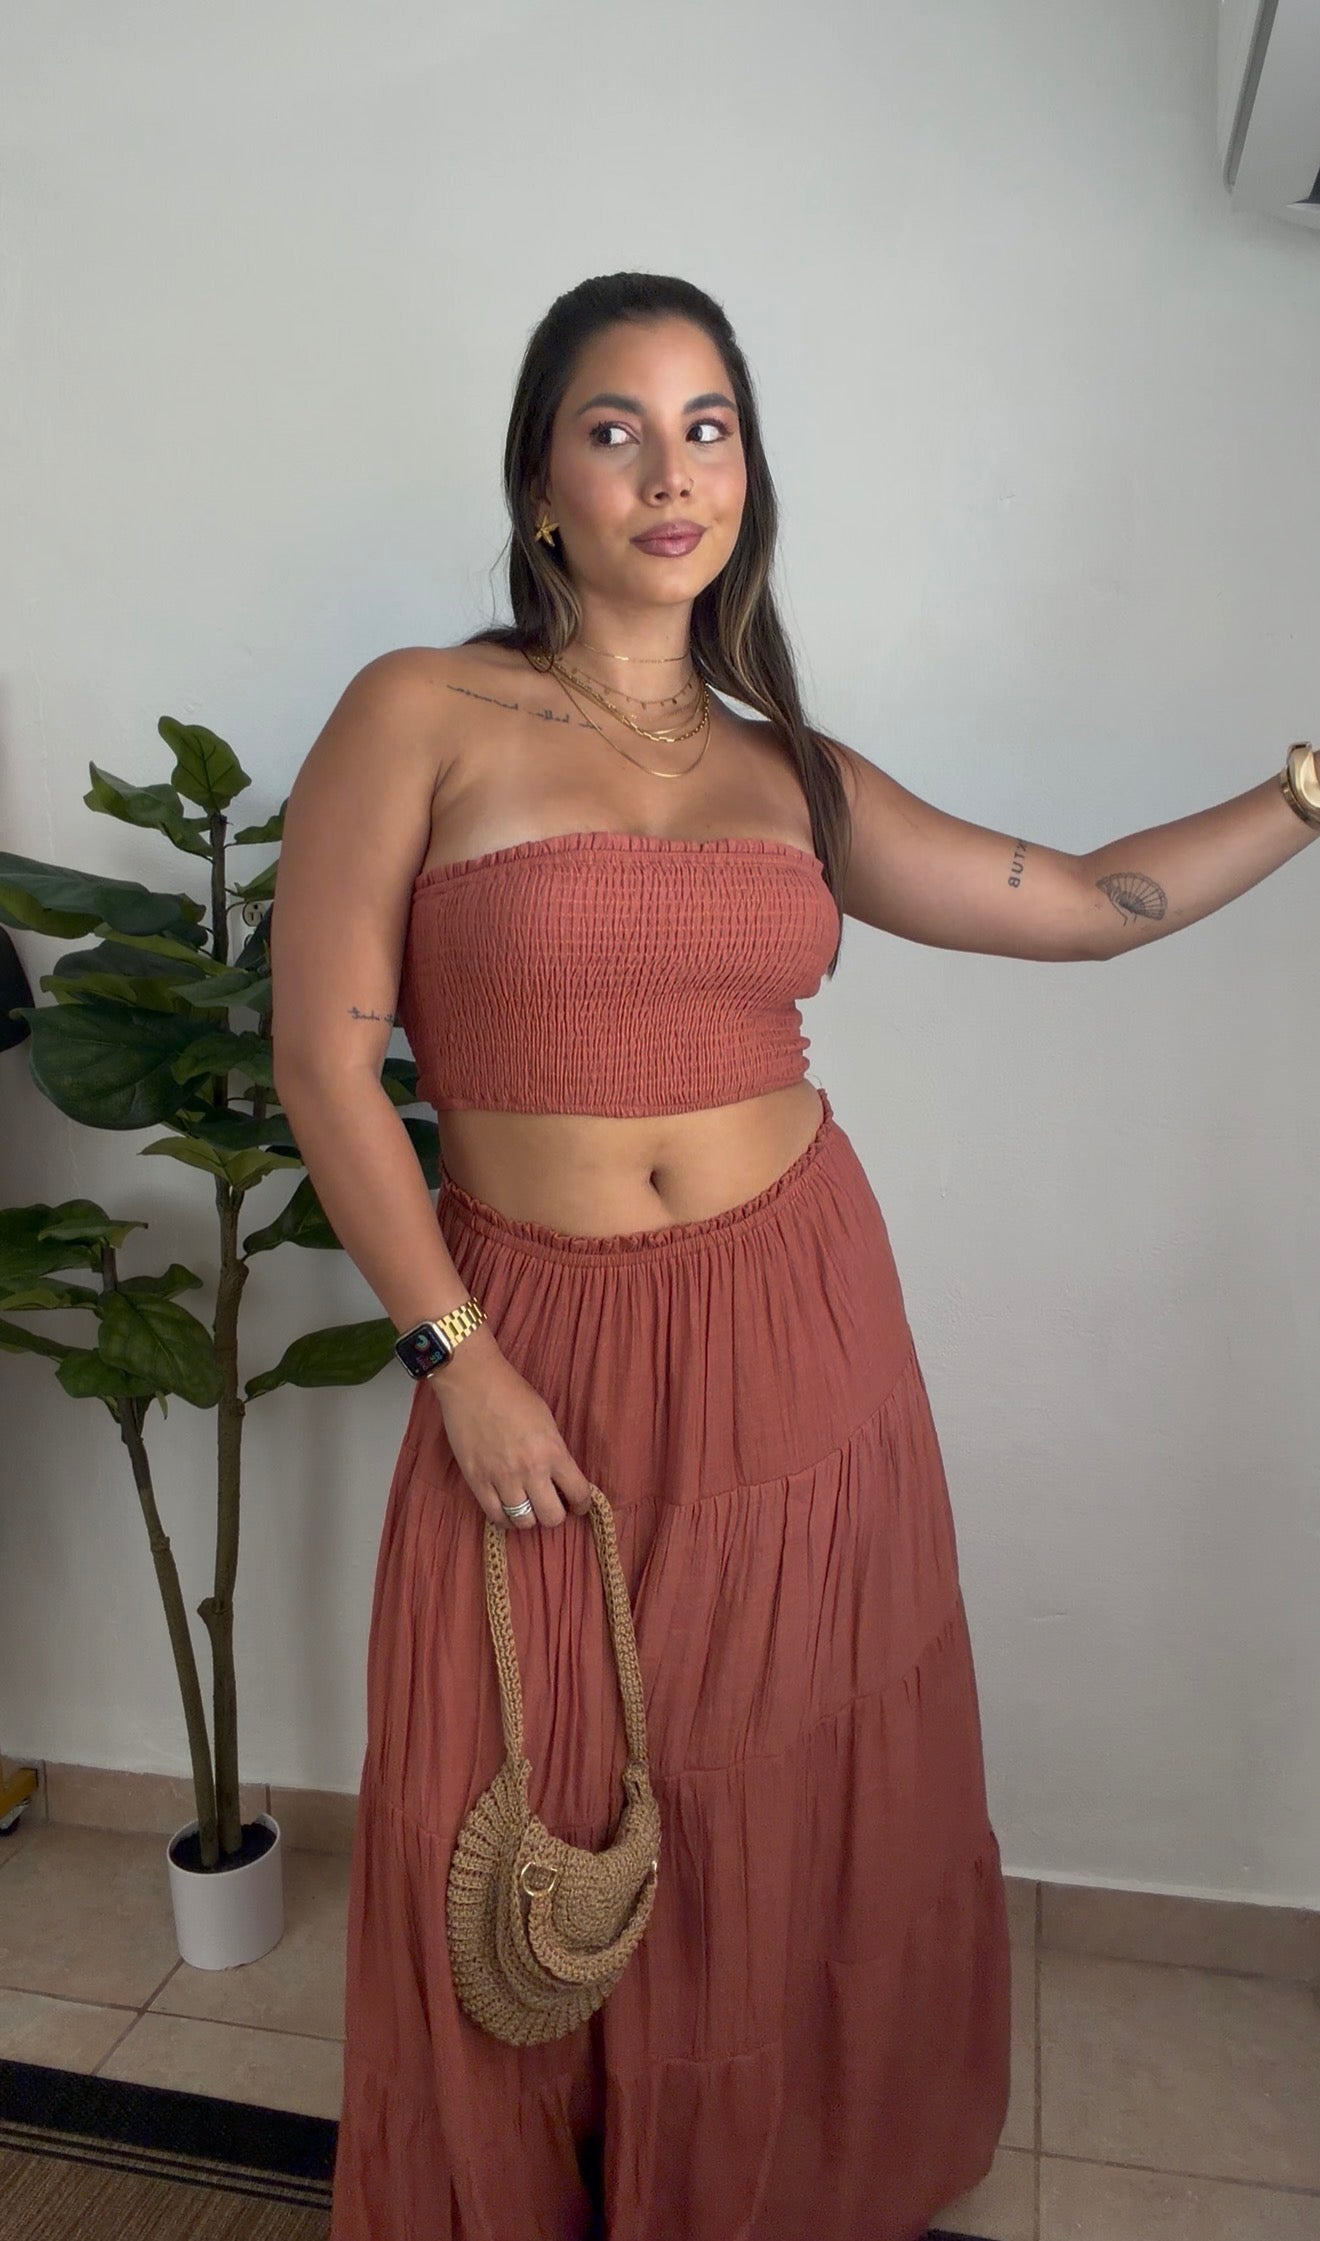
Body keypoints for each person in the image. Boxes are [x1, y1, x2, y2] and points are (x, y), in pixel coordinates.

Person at [269, 271, 1320, 2241]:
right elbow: (323, 1062)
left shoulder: (790, 771)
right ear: (541, 485)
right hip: (535, 1327)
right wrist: (454, 1351)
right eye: (617, 429)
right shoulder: (421, 710)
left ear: (748, 475)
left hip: (795, 1325)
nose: (671, 472)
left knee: (764, 1793)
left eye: (710, 428)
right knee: (525, 1786)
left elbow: (1087, 900)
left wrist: (1307, 789)